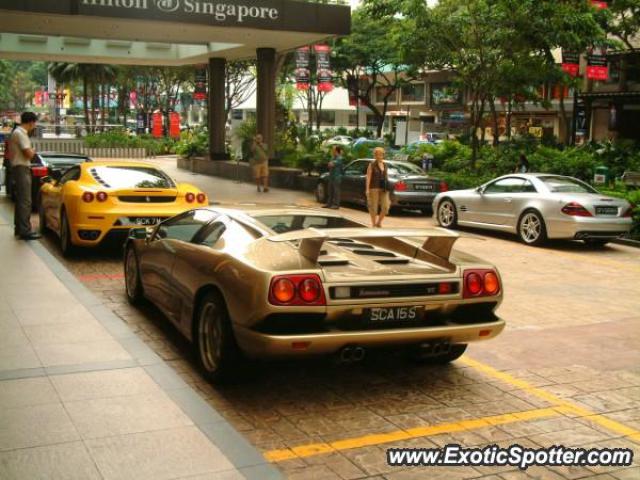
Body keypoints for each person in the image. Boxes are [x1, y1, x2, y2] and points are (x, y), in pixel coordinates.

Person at [9, 112, 41, 240]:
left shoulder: (18, 133)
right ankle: (25, 230)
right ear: (31, 122)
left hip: (18, 168)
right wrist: (33, 151)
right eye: (35, 123)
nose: (35, 126)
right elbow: (29, 154)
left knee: (21, 199)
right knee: (25, 200)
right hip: (22, 168)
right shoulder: (21, 134)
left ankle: (20, 228)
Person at [365, 147, 391, 228]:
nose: (380, 156)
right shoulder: (372, 165)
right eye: (378, 154)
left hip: (384, 188)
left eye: (381, 154)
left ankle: (379, 222)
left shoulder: (385, 165)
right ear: (375, 155)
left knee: (386, 207)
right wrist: (367, 189)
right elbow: (368, 177)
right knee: (374, 208)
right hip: (374, 188)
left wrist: (387, 187)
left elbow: (386, 176)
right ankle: (373, 224)